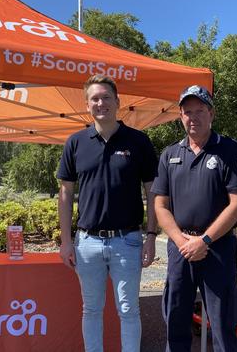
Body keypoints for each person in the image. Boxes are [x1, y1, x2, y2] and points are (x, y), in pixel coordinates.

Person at [57, 74, 159, 352]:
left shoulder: (138, 141)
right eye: (94, 98)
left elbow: (153, 191)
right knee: (91, 310)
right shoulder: (76, 142)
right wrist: (66, 240)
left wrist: (151, 235)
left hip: (127, 241)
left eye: (106, 97)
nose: (100, 103)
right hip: (86, 243)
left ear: (118, 102)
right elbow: (65, 193)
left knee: (129, 310)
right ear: (87, 104)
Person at [151, 85, 237, 352]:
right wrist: (181, 241)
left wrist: (205, 240)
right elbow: (160, 205)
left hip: (217, 248)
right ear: (180, 116)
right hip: (180, 248)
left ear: (211, 114)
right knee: (175, 321)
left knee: (222, 325)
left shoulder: (229, 150)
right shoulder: (169, 154)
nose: (193, 117)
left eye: (200, 111)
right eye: (187, 112)